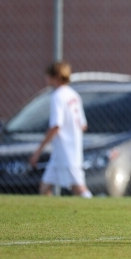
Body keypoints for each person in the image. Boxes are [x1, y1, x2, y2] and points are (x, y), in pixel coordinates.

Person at [29, 61, 92, 198]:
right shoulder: (74, 95)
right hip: (62, 151)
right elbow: (83, 125)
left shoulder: (58, 96)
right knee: (45, 187)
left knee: (78, 188)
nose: (46, 79)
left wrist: (38, 151)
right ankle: (48, 216)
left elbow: (56, 125)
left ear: (56, 76)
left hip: (66, 150)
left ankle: (97, 210)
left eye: (48, 76)